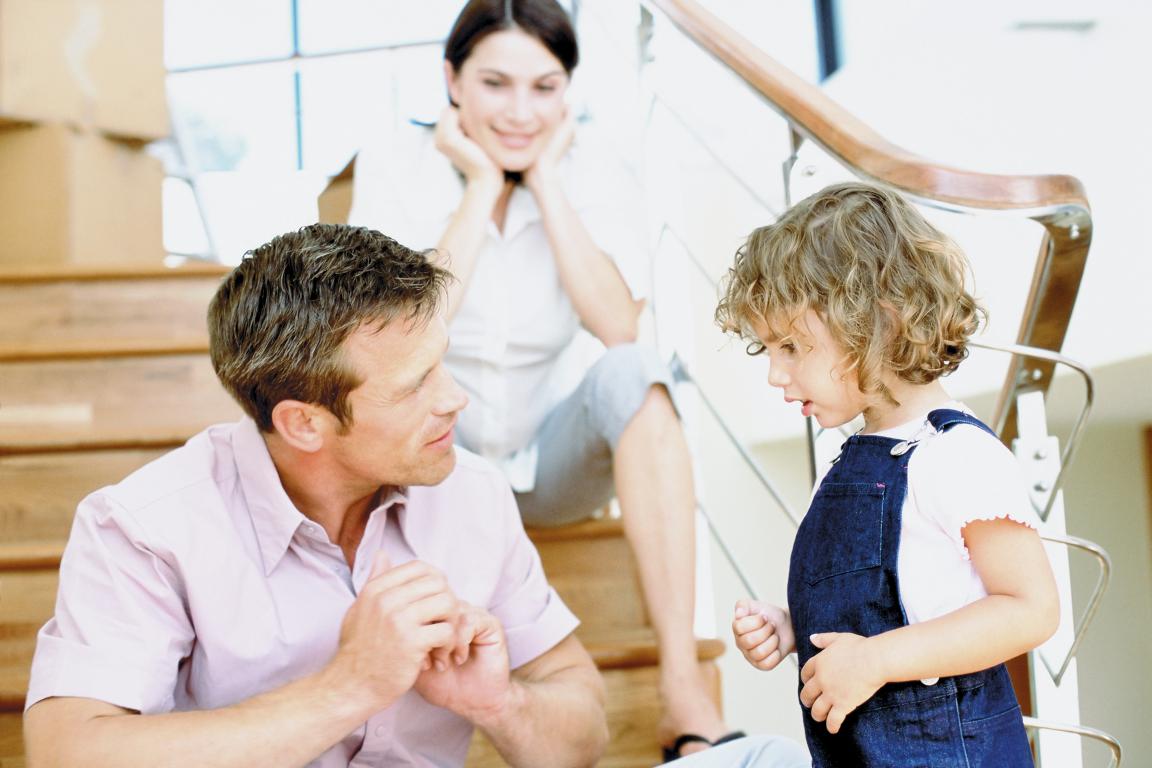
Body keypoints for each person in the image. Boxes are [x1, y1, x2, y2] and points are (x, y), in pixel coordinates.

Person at [22, 224, 608, 768]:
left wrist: (499, 703)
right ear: (304, 424)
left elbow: (585, 732)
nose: (456, 399)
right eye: (414, 386)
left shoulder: (470, 492)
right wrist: (349, 687)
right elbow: (68, 752)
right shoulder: (146, 526)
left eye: (443, 363)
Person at [349, 0, 735, 758]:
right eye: (496, 83)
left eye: (545, 87)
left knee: (638, 372)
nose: (521, 111)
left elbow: (618, 325)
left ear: (568, 93)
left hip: (547, 466)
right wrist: (480, 186)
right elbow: (400, 337)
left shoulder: (594, 166)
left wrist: (547, 181)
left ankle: (684, 695)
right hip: (428, 466)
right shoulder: (391, 166)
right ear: (451, 80)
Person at [716, 181, 1061, 766]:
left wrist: (879, 661)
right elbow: (894, 598)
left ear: (876, 321)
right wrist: (792, 625)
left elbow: (1030, 609)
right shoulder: (861, 454)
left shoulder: (954, 454)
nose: (775, 374)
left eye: (791, 347)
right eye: (766, 351)